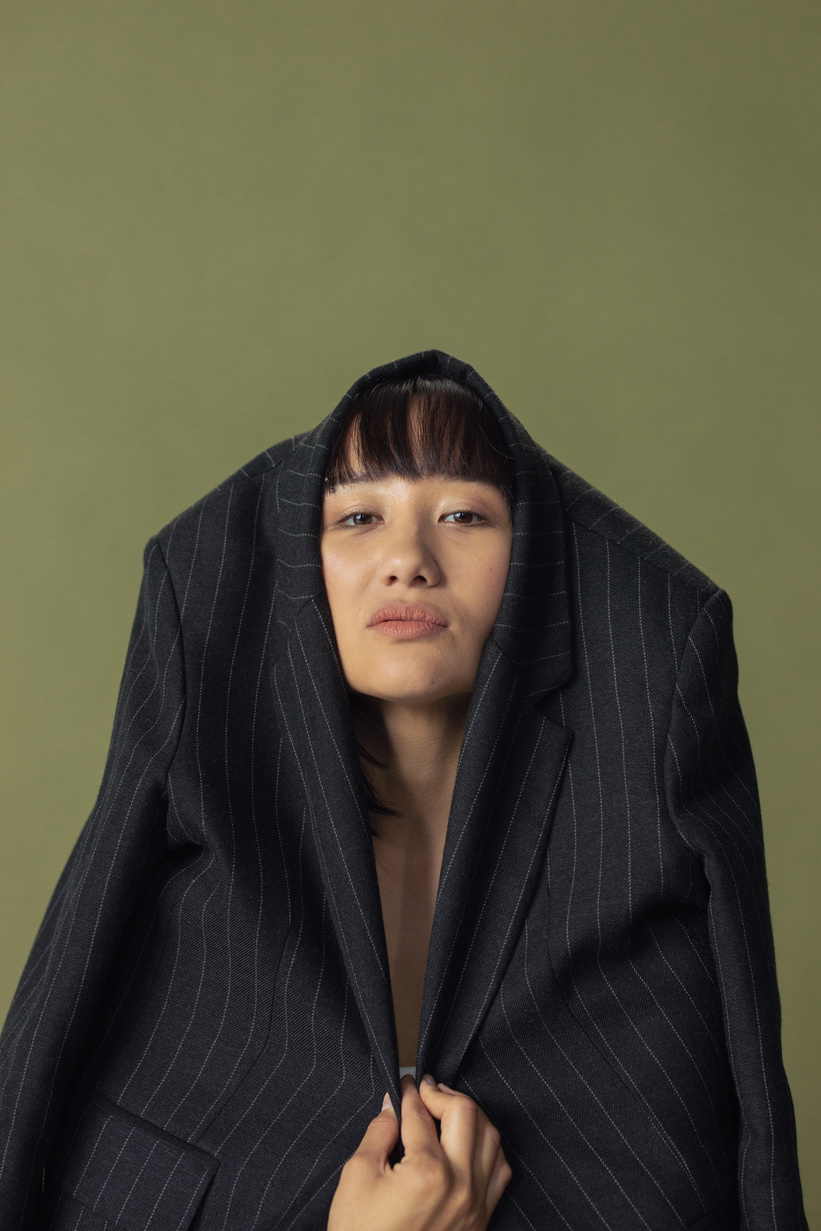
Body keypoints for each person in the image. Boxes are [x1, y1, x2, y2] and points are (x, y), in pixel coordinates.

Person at [0, 350, 807, 1230]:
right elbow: (57, 1009)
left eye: (462, 513)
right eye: (356, 516)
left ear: (534, 557)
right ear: (298, 564)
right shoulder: (210, 701)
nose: (406, 559)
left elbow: (741, 1104)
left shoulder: (649, 728)